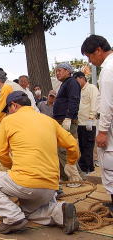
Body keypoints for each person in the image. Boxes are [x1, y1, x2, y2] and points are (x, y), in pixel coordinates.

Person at [0, 91, 80, 235]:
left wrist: (13, 169)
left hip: (26, 183)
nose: (8, 113)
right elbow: (72, 144)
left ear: (13, 106)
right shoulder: (49, 120)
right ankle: (61, 211)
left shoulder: (8, 121)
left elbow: (1, 153)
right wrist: (70, 163)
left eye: (8, 109)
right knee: (27, 212)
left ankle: (12, 218)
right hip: (51, 186)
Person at [81, 34, 113, 212]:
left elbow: (107, 104)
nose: (90, 61)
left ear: (99, 50)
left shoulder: (108, 70)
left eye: (90, 56)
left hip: (110, 126)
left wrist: (102, 131)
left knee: (109, 166)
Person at [53, 62, 82, 182]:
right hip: (61, 121)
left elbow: (74, 100)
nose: (57, 73)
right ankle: (67, 176)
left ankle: (76, 178)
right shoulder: (65, 84)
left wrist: (69, 117)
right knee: (62, 150)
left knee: (66, 149)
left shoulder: (71, 82)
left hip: (67, 121)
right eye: (56, 71)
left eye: (60, 70)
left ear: (68, 71)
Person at [73, 71, 99, 175]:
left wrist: (91, 117)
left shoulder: (91, 88)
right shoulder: (78, 90)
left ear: (82, 78)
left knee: (88, 146)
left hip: (89, 123)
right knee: (82, 146)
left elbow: (95, 103)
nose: (76, 83)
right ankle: (86, 167)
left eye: (77, 80)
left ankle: (87, 168)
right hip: (80, 123)